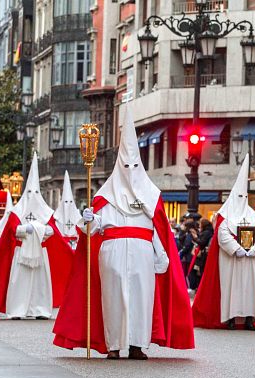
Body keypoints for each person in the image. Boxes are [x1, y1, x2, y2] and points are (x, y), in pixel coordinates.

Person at [53, 106, 194, 359]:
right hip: (112, 253)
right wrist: (88, 219)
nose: (129, 170)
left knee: (141, 298)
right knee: (114, 297)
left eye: (133, 165)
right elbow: (94, 229)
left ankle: (138, 345)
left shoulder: (152, 197)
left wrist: (161, 256)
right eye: (125, 165)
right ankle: (115, 345)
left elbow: (157, 231)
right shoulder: (105, 196)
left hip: (142, 253)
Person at [192, 155, 255, 331]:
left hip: (251, 260)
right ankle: (232, 318)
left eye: (245, 195)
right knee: (231, 289)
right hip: (232, 260)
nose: (242, 198)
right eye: (239, 195)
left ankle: (250, 319)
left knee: (252, 289)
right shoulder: (225, 216)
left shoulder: (253, 216)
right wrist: (236, 249)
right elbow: (222, 234)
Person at [0, 154, 73, 319]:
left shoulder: (45, 211)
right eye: (30, 191)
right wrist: (27, 229)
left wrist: (37, 229)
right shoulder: (17, 211)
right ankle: (17, 310)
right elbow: (13, 230)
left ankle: (40, 309)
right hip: (20, 252)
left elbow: (52, 231)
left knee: (40, 283)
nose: (33, 194)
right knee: (19, 281)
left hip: (40, 252)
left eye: (36, 191)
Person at [53, 171, 81, 250]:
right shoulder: (56, 219)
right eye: (65, 202)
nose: (68, 205)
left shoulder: (78, 218)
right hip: (61, 248)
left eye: (70, 202)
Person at [187, 217, 213, 291]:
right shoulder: (207, 231)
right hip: (202, 255)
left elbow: (202, 242)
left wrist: (195, 237)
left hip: (202, 256)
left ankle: (199, 288)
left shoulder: (206, 232)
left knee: (200, 272)